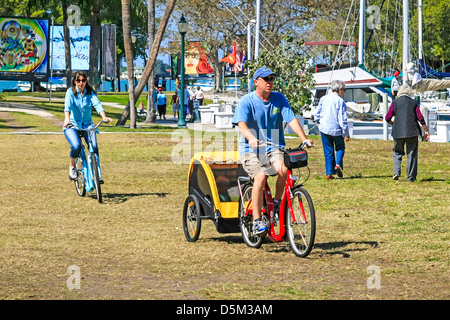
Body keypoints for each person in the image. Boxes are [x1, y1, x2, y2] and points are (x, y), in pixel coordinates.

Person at [232, 67, 313, 235]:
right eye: (266, 79)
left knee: (284, 170)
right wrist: (251, 138)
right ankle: (256, 221)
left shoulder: (279, 99)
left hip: (273, 147)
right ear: (256, 82)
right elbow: (241, 123)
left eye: (271, 79)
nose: (270, 82)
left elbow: (291, 119)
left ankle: (276, 203)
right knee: (260, 177)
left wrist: (304, 138)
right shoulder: (247, 101)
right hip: (251, 149)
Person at [63, 71, 113, 181]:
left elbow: (97, 105)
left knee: (94, 147)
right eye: (78, 80)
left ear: (86, 81)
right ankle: (72, 167)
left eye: (83, 80)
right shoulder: (70, 92)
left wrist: (104, 116)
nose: (81, 83)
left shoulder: (90, 92)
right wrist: (67, 120)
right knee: (76, 146)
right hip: (72, 125)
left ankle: (97, 173)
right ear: (75, 81)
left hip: (88, 125)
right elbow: (68, 107)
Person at [385, 84, 429, 182]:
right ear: (409, 92)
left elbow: (387, 117)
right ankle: (411, 177)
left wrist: (393, 123)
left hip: (397, 131)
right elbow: (420, 117)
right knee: (412, 154)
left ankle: (396, 172)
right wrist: (426, 129)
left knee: (397, 152)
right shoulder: (413, 102)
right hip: (412, 132)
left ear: (399, 92)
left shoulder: (395, 102)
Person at [313, 79, 350, 180]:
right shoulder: (340, 101)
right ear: (340, 90)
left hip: (324, 128)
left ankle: (329, 173)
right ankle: (337, 164)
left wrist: (318, 122)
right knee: (340, 148)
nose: (344, 92)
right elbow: (342, 119)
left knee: (328, 150)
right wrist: (346, 133)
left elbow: (317, 114)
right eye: (344, 90)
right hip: (336, 129)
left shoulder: (323, 98)